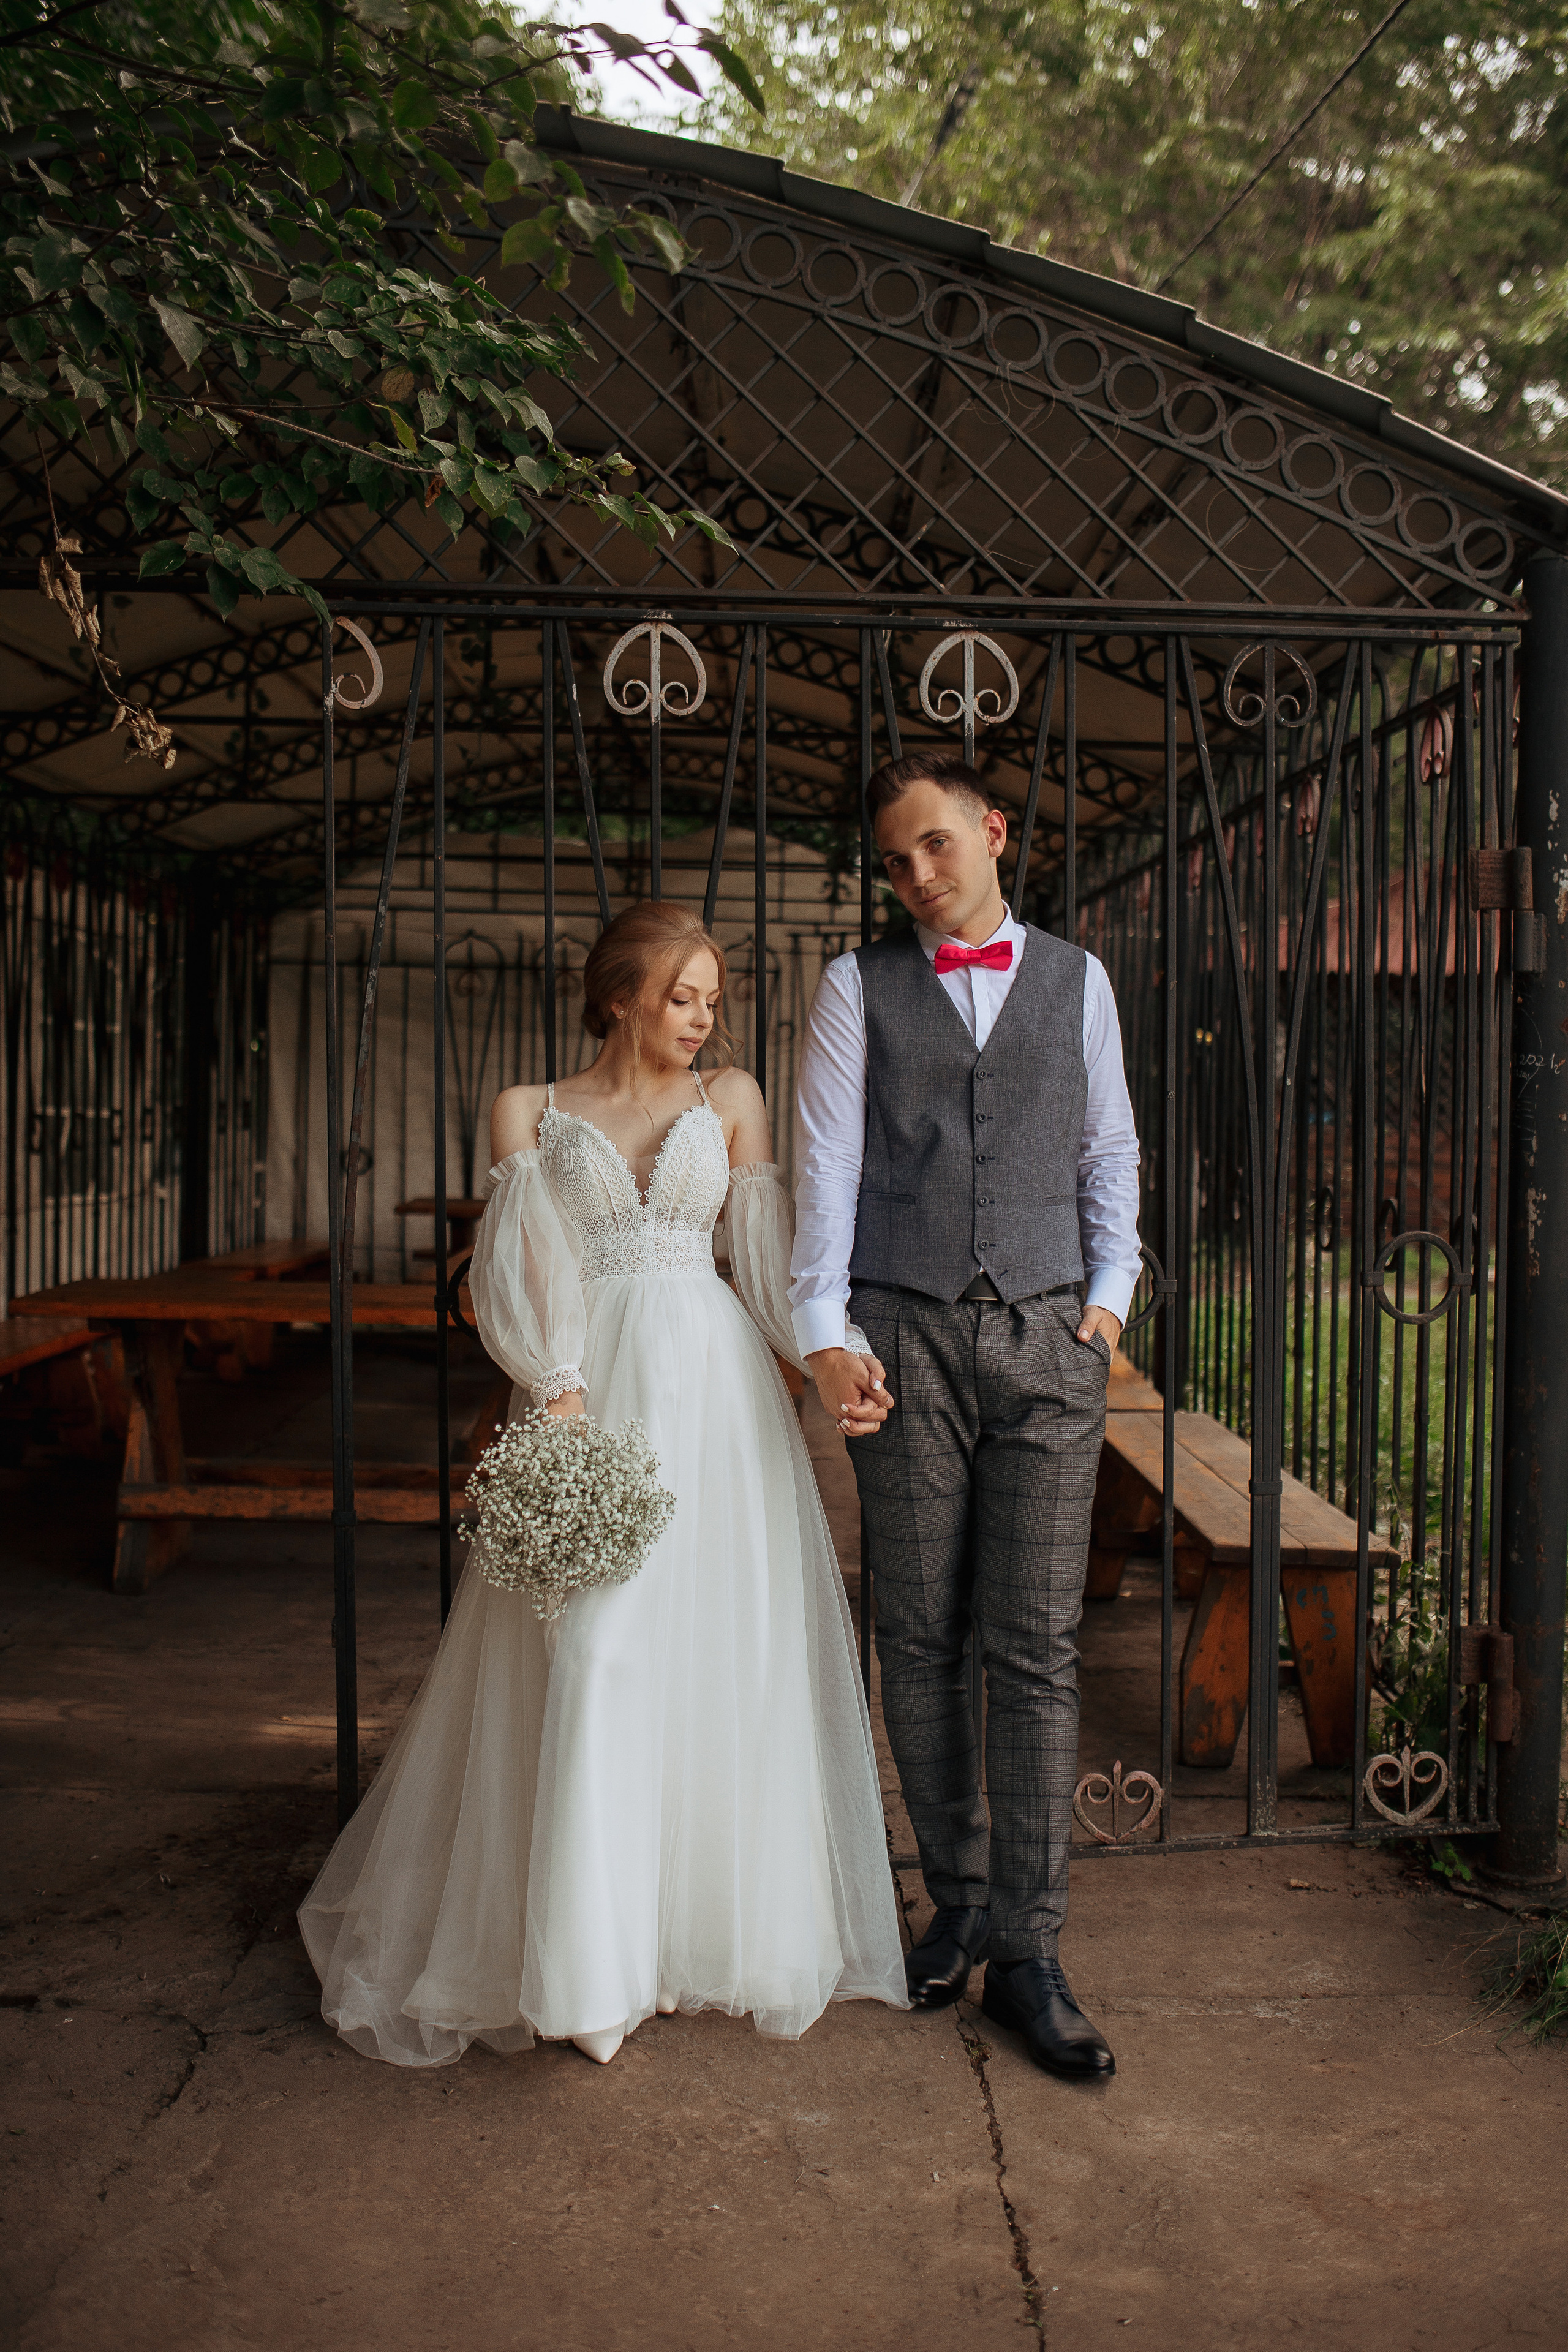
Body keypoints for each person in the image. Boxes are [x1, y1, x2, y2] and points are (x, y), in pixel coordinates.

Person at [300, 902, 906, 2067]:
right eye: (684, 995)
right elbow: (517, 1268)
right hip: (589, 1387)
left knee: (711, 1655)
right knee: (590, 1648)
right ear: (621, 994)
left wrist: (829, 1363)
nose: (703, 1019)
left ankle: (688, 1938)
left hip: (715, 1395)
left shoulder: (730, 1102)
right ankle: (588, 1963)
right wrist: (559, 1387)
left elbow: (769, 1260)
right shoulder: (530, 1110)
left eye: (714, 999)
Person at [790, 753, 1142, 2079]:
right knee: (920, 1632)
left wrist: (1104, 1305)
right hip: (903, 1335)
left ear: (992, 833)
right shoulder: (855, 987)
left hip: (1049, 1333)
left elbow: (1106, 1148)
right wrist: (825, 1333)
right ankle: (956, 1907)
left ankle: (1032, 1951)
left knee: (1034, 1643)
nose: (917, 878)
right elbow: (825, 1163)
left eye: (935, 847)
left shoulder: (1077, 980)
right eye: (893, 861)